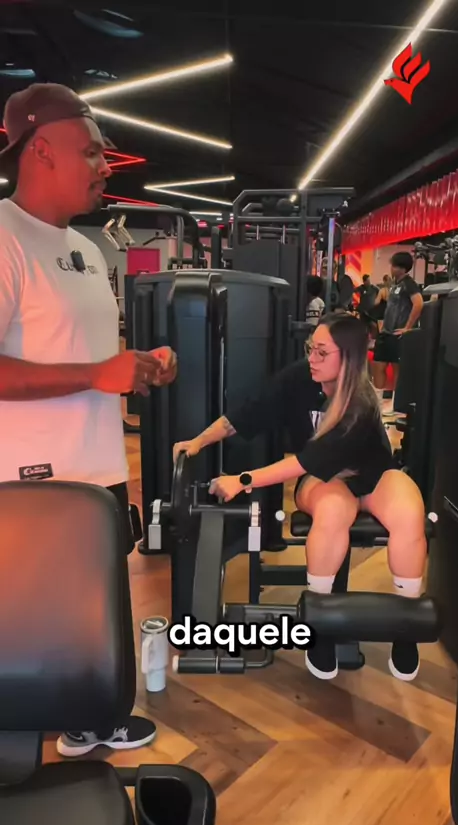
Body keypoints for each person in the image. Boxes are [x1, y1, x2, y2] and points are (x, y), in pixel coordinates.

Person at [0, 82, 177, 757]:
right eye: (92, 153)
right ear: (40, 150)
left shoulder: (89, 248)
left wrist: (140, 368)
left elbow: (90, 358)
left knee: (91, 613)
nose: (105, 167)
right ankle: (34, 755)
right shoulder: (4, 237)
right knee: (38, 627)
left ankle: (89, 722)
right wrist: (96, 374)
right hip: (35, 481)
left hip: (97, 466)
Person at [173, 313, 426, 682]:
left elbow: (305, 460)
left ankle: (408, 625)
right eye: (311, 348)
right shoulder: (298, 378)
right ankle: (319, 624)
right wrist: (198, 441)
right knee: (333, 510)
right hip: (323, 481)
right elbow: (244, 415)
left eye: (322, 352)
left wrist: (242, 480)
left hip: (372, 476)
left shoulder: (360, 401)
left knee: (410, 510)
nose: (312, 358)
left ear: (349, 358)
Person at [372, 252, 423, 413]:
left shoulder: (409, 284)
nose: (391, 268)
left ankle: (396, 404)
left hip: (398, 334)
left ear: (402, 268)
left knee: (397, 371)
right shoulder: (395, 285)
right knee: (378, 366)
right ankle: (377, 403)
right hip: (385, 333)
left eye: (394, 266)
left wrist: (408, 327)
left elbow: (419, 303)